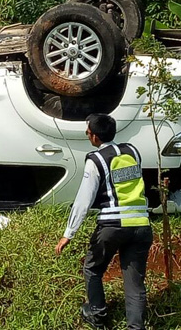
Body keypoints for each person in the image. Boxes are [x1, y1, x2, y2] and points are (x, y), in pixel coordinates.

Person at [54, 113, 153, 330]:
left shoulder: (96, 160)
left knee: (93, 268)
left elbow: (84, 199)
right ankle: (136, 327)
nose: (87, 135)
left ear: (95, 137)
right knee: (134, 283)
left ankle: (97, 315)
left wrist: (68, 233)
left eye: (88, 132)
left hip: (112, 226)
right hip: (141, 224)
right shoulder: (133, 152)